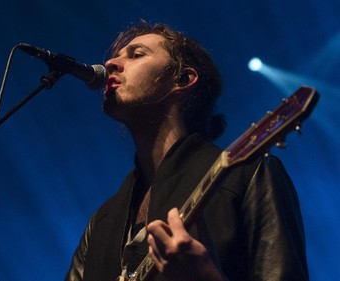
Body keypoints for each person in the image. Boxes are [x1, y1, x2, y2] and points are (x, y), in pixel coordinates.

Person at [65, 21, 309, 281]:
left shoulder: (248, 176)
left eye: (136, 54)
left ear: (182, 79)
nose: (112, 62)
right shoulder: (101, 223)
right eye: (117, 55)